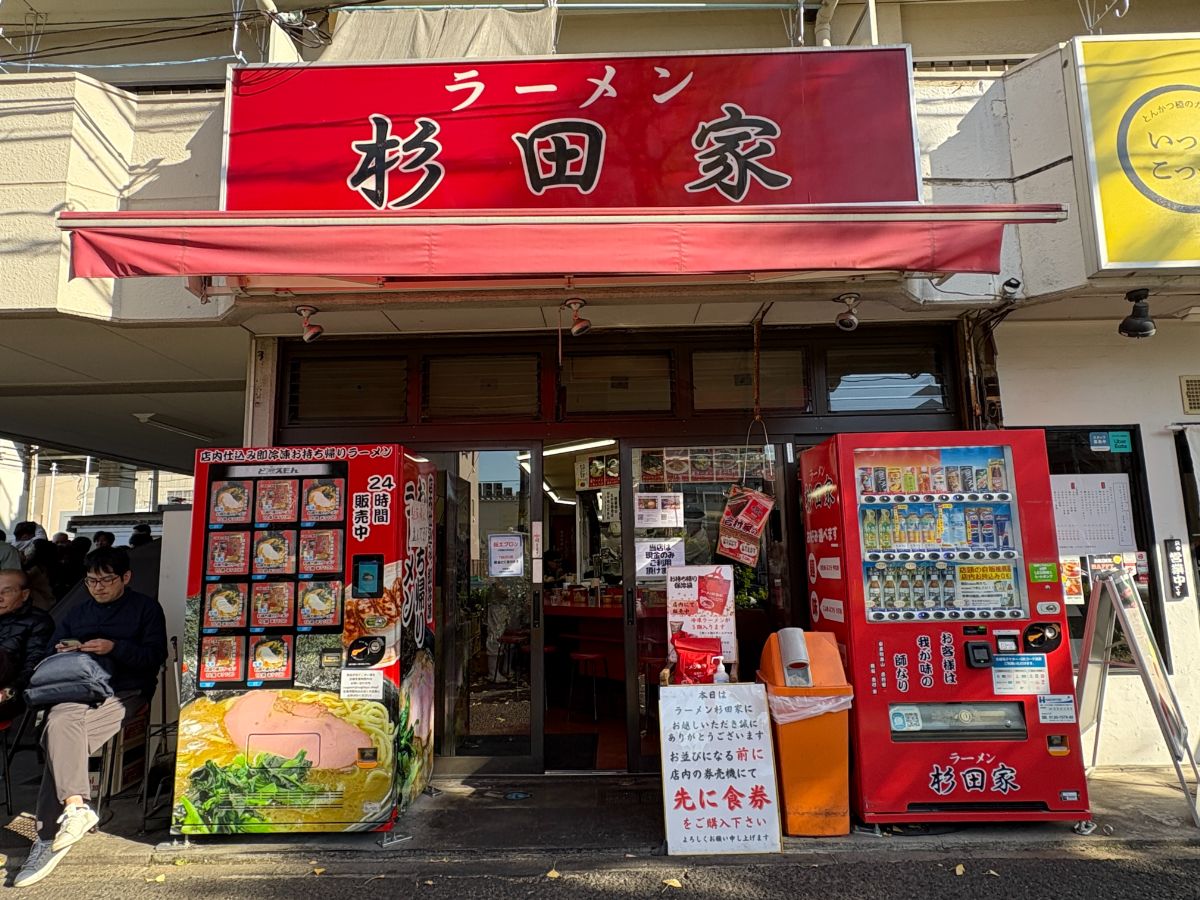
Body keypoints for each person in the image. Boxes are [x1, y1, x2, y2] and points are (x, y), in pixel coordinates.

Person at [14, 546, 167, 888]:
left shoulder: (145, 609)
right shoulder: (77, 612)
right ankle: (76, 808)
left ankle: (46, 838)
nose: (98, 587)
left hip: (124, 690)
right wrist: (64, 649)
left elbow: (153, 657)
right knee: (58, 724)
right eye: (91, 581)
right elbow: (49, 651)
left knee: (58, 741)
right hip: (77, 689)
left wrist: (115, 648)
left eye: (106, 580)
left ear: (126, 577)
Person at [0, 570, 54, 721]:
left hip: (12, 693)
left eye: (6, 592)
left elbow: (34, 664)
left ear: (24, 594)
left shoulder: (39, 622)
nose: (0, 598)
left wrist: (12, 689)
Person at [22, 540, 58, 611]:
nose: (27, 549)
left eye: (30, 547)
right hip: (48, 601)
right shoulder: (47, 566)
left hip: (40, 604)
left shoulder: (34, 569)